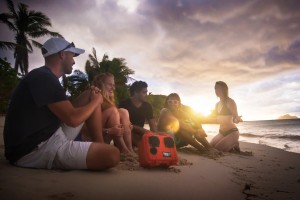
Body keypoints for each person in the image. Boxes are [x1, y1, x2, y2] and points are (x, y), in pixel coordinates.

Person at [3, 37, 120, 170]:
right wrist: (96, 101)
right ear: (62, 54)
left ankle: (99, 143)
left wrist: (93, 98)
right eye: (72, 55)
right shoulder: (44, 78)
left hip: (47, 135)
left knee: (90, 94)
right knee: (112, 154)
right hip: (34, 150)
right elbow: (73, 119)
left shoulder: (43, 76)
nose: (74, 61)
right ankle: (101, 147)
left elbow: (66, 114)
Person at [82, 73, 134, 154]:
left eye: (114, 85)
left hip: (103, 140)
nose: (113, 88)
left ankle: (129, 150)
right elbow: (82, 129)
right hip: (88, 140)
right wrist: (108, 131)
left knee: (123, 111)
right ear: (100, 84)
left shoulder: (108, 102)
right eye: (110, 85)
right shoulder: (92, 96)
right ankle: (124, 150)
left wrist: (126, 126)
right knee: (113, 111)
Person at [119, 81, 156, 146]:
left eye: (146, 92)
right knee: (127, 131)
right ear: (136, 92)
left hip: (139, 133)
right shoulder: (124, 104)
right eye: (144, 92)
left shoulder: (147, 106)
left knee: (151, 134)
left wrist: (154, 136)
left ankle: (141, 146)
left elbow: (153, 128)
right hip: (126, 133)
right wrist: (133, 127)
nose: (146, 95)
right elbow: (120, 125)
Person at [210, 81, 243, 152]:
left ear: (224, 89)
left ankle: (234, 143)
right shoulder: (217, 104)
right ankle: (230, 146)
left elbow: (235, 118)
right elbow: (216, 119)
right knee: (210, 147)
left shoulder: (230, 102)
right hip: (221, 133)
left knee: (217, 149)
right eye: (215, 88)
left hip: (232, 132)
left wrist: (237, 119)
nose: (216, 90)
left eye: (218, 88)